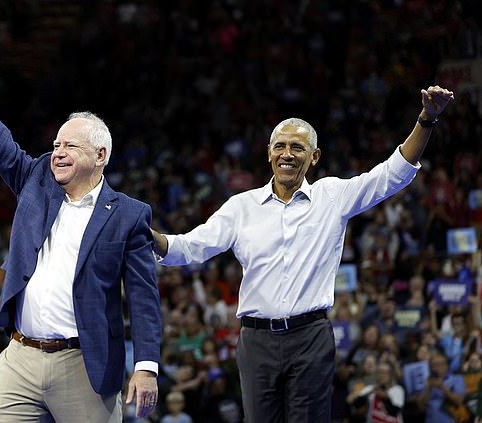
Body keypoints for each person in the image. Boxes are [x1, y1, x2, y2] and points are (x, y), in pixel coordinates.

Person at [152, 84, 454, 422]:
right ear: (268, 153)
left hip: (310, 339)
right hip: (256, 342)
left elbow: (391, 175)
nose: (287, 154)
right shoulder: (241, 207)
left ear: (314, 157)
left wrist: (426, 119)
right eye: (279, 146)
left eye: (298, 147)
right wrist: (152, 238)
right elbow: (191, 247)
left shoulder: (332, 197)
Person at [0, 17, 161, 422]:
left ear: (100, 156)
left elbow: (145, 299)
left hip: (85, 367)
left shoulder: (129, 215)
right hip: (20, 360)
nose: (57, 152)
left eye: (70, 146)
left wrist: (146, 366)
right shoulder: (35, 180)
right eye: (56, 144)